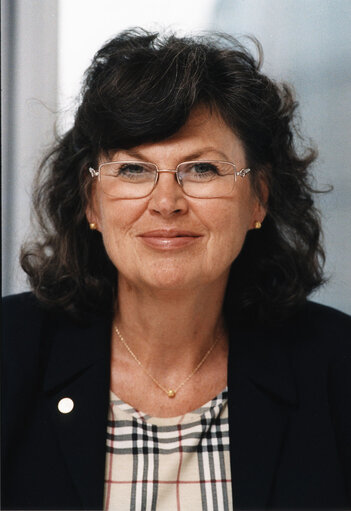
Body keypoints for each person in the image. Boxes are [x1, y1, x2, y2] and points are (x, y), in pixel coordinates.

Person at [2, 28, 351, 511]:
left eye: (202, 169)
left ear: (260, 198)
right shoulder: (10, 350)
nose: (166, 202)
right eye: (133, 170)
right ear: (91, 202)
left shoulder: (337, 365)